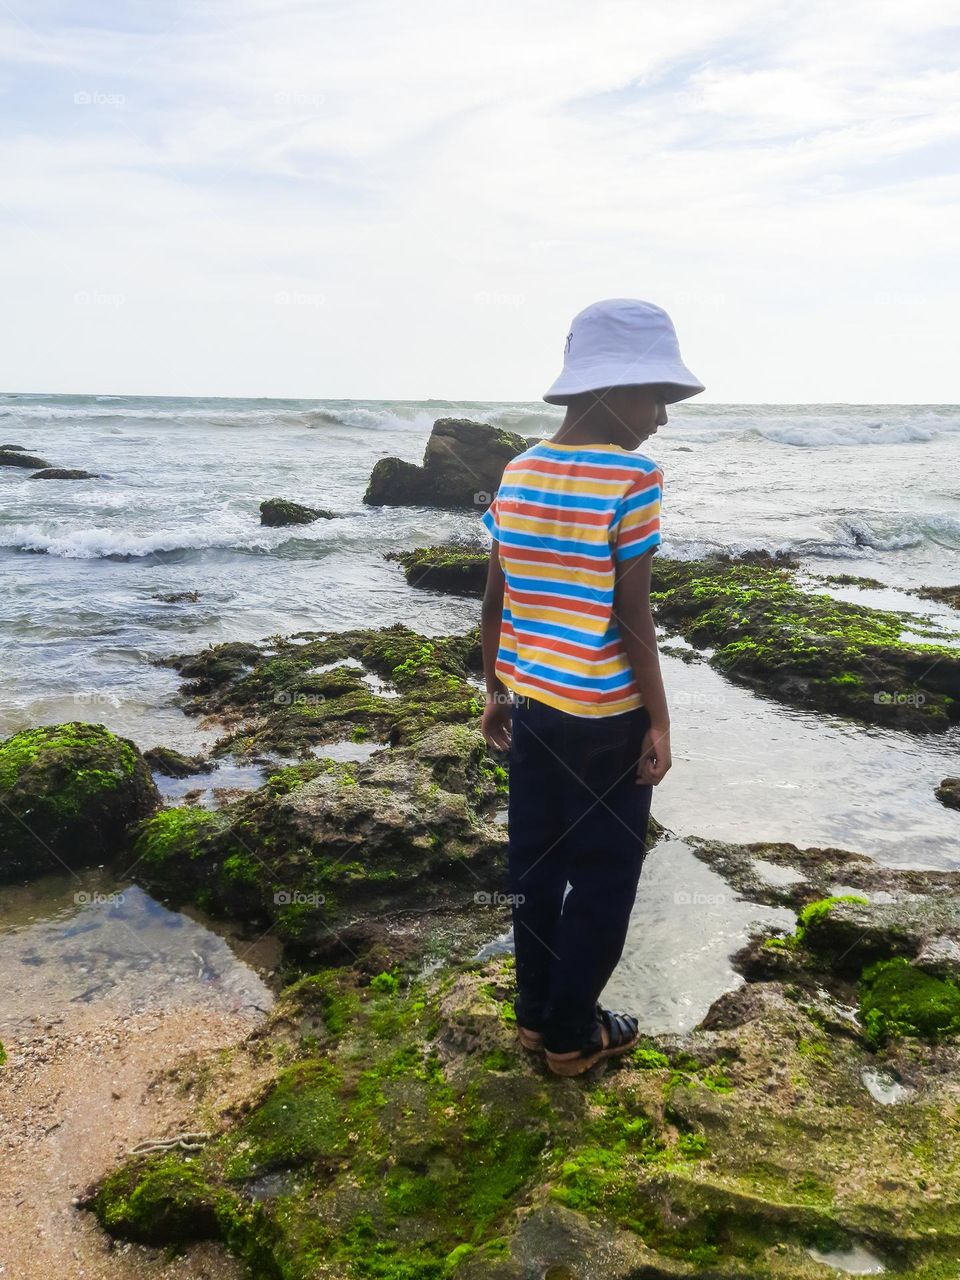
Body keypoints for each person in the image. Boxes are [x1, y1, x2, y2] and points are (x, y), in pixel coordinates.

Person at [479, 297, 705, 1076]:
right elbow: (631, 614)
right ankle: (576, 1035)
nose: (663, 419)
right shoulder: (635, 474)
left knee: (532, 868)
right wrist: (662, 723)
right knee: (605, 877)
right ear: (615, 389)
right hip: (607, 717)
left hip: (534, 709)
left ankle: (535, 1017)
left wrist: (494, 690)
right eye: (657, 398)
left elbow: (494, 597)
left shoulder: (516, 470)